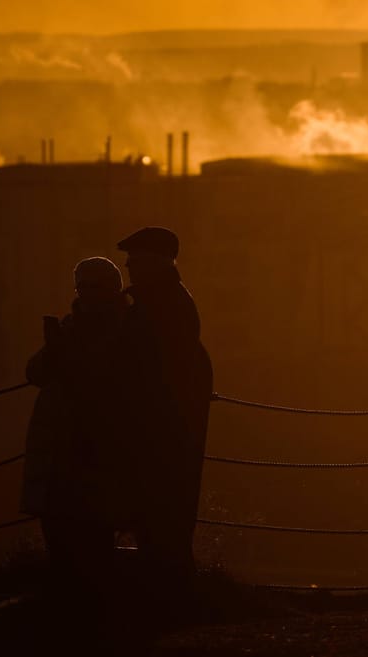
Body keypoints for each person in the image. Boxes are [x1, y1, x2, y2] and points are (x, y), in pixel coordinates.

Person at [114, 226, 213, 604]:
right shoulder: (164, 302)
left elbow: (143, 367)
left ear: (155, 262)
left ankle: (167, 595)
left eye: (135, 260)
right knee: (160, 513)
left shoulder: (160, 308)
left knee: (159, 511)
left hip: (159, 430)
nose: (128, 266)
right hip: (163, 428)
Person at [22, 257, 127, 597]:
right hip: (59, 448)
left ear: (112, 289)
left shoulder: (122, 329)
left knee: (92, 532)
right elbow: (36, 372)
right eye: (81, 286)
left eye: (92, 286)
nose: (85, 293)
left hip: (92, 449)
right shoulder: (73, 326)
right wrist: (56, 347)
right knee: (58, 529)